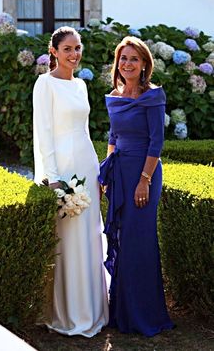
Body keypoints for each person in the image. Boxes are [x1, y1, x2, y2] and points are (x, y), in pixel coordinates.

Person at [33, 26, 108, 337]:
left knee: (90, 235)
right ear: (54, 52)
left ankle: (93, 310)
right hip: (62, 171)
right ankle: (68, 313)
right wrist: (52, 178)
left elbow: (86, 131)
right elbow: (44, 132)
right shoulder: (44, 84)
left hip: (86, 166)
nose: (74, 54)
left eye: (78, 48)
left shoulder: (81, 86)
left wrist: (98, 171)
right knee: (67, 239)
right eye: (68, 49)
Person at [98, 36, 174, 337]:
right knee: (121, 239)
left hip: (145, 174)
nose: (127, 64)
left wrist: (144, 180)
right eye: (123, 58)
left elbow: (157, 141)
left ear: (144, 65)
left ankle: (145, 315)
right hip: (121, 173)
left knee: (139, 242)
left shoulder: (153, 96)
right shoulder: (115, 95)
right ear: (118, 63)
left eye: (134, 59)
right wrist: (106, 174)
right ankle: (121, 313)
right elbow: (113, 137)